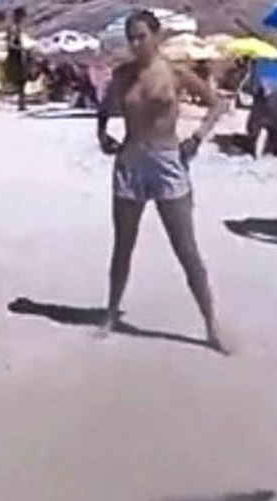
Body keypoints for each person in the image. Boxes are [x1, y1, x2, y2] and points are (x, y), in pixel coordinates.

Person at [95, 9, 228, 353]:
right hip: (130, 162)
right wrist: (102, 135)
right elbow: (105, 107)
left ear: (156, 36)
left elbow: (217, 104)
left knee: (186, 249)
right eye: (131, 37)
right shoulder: (123, 75)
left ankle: (212, 323)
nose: (136, 43)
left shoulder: (174, 73)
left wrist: (197, 137)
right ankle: (111, 313)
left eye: (141, 36)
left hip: (167, 160)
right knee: (123, 245)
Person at [6, 6, 28, 111]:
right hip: (16, 56)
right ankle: (21, 102)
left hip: (21, 55)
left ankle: (22, 102)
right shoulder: (13, 28)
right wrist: (21, 48)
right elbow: (10, 44)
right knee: (20, 79)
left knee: (23, 79)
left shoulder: (20, 28)